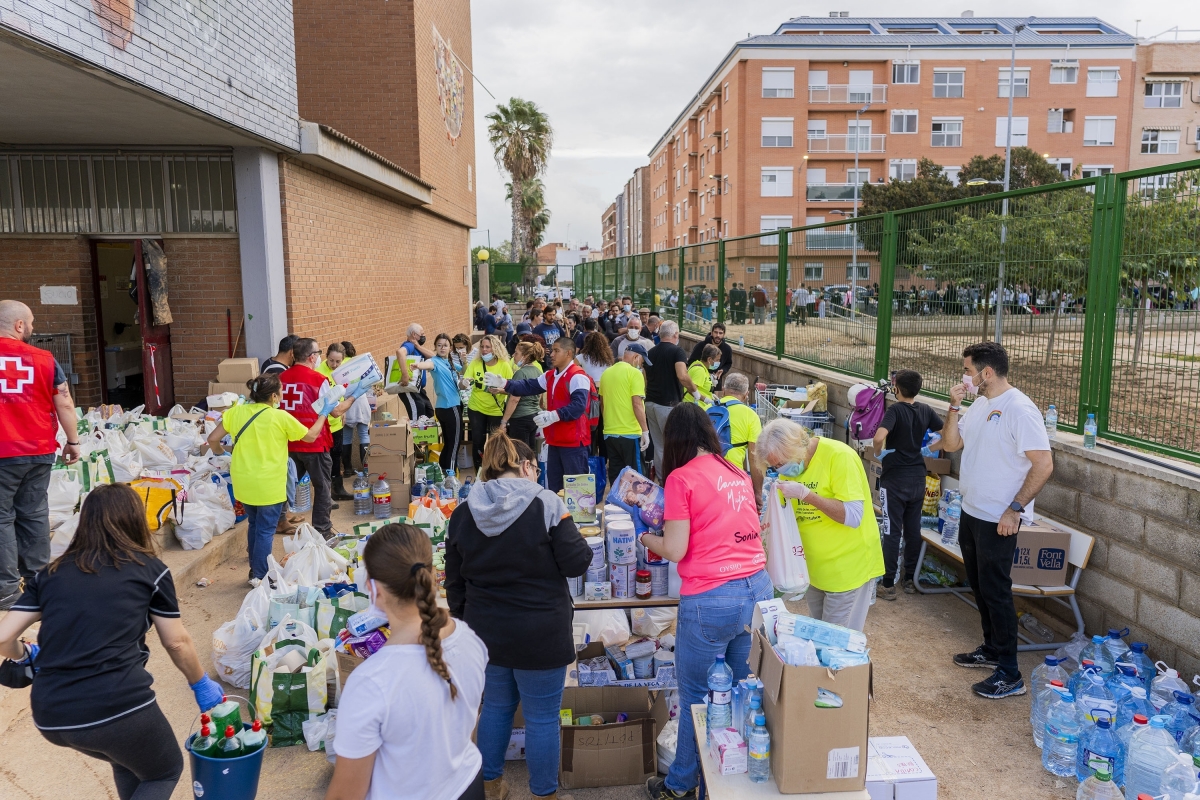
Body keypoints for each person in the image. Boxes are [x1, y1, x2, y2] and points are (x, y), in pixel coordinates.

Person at [0, 483, 223, 800]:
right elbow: (177, 642)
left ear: (85, 522)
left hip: (51, 714)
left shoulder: (50, 574)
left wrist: (25, 655)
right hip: (117, 705)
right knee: (164, 771)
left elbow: (3, 637)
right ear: (135, 520)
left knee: (130, 761)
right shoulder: (149, 571)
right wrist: (200, 683)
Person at [445, 433, 592, 800]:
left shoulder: (463, 512)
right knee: (542, 718)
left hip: (487, 632)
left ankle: (491, 785)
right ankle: (544, 794)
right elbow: (576, 562)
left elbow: (454, 581)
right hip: (541, 631)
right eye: (536, 468)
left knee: (495, 707)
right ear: (525, 465)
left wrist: (469, 622)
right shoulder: (546, 503)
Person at [639, 404, 772, 800]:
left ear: (675, 440)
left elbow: (676, 549)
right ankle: (733, 777)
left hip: (711, 598)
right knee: (742, 694)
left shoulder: (682, 478)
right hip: (758, 591)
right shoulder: (735, 471)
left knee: (698, 698)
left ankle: (680, 785)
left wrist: (646, 536)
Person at [327, 523, 488, 800]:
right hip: (466, 785)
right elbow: (465, 724)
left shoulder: (370, 683)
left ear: (373, 589)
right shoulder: (471, 641)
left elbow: (346, 794)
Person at [939, 342, 1053, 700]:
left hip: (999, 519)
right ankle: (990, 650)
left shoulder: (1020, 409)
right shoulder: (980, 405)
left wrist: (1015, 510)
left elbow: (1044, 465)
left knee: (997, 592)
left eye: (967, 371)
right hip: (972, 511)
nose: (965, 377)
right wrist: (955, 407)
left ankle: (1010, 673)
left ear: (986, 373)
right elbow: (951, 445)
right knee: (980, 586)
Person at [757, 418, 884, 633]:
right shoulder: (791, 465)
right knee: (820, 640)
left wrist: (806, 495)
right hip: (814, 572)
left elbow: (853, 516)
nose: (780, 470)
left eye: (780, 464)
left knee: (836, 644)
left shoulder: (839, 456)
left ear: (796, 446)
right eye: (774, 466)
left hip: (847, 570)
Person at [207, 374, 329, 583]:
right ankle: (260, 576)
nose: (282, 396)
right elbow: (310, 436)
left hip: (243, 481)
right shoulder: (279, 417)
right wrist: (324, 414)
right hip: (269, 483)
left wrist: (220, 453)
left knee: (254, 524)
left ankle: (255, 569)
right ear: (273, 396)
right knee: (265, 530)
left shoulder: (236, 413)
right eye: (280, 392)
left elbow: (212, 439)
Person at [0, 300, 80, 611]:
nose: (32, 328)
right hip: (38, 450)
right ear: (19, 325)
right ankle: (37, 581)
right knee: (33, 514)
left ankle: (6, 592)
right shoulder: (45, 359)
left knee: (3, 519)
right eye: (30, 322)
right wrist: (73, 441)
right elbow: (65, 404)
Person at [871, 370, 943, 600]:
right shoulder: (926, 410)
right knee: (913, 530)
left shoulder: (895, 410)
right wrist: (927, 450)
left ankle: (888, 584)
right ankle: (910, 579)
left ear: (897, 389)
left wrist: (878, 452)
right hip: (918, 478)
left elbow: (878, 436)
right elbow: (947, 437)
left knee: (892, 531)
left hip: (894, 479)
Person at [486, 338, 591, 492]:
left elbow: (578, 406)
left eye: (556, 351)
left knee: (577, 491)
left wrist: (552, 416)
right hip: (555, 441)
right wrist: (505, 384)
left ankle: (576, 517)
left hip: (574, 443)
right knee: (555, 487)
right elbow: (529, 386)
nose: (551, 354)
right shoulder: (550, 375)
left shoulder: (578, 376)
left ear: (568, 353)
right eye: (552, 350)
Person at [279, 338, 356, 537]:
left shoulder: (281, 378)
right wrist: (354, 397)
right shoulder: (318, 380)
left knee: (284, 486)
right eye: (319, 353)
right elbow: (336, 411)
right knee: (322, 487)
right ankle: (323, 531)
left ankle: (278, 521)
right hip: (314, 442)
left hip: (288, 442)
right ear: (312, 357)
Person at [644, 321, 698, 469]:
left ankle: (663, 480)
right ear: (676, 334)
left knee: (659, 446)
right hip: (668, 405)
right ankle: (672, 478)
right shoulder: (677, 351)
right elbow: (682, 375)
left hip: (650, 403)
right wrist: (695, 392)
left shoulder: (651, 352)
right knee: (673, 445)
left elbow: (645, 377)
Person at [413, 334, 468, 475]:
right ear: (435, 347)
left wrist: (464, 361)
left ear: (450, 348)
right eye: (439, 345)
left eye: (445, 345)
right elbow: (428, 364)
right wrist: (418, 365)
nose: (442, 348)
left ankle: (443, 475)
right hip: (450, 408)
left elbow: (463, 371)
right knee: (454, 445)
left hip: (444, 408)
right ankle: (450, 477)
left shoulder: (448, 362)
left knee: (449, 444)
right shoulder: (435, 361)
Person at [598, 342, 651, 484]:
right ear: (636, 357)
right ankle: (637, 506)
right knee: (637, 478)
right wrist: (645, 431)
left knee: (616, 475)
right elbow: (637, 403)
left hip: (610, 433)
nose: (641, 364)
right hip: (630, 432)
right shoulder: (635, 373)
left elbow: (602, 404)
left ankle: (615, 505)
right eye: (641, 360)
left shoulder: (606, 373)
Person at [463, 335, 514, 469]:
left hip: (495, 410)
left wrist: (500, 391)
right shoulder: (475, 363)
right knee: (478, 441)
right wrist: (464, 383)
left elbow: (512, 389)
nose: (484, 350)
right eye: (482, 347)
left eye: (487, 347)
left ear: (495, 348)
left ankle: (493, 469)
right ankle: (479, 471)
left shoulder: (504, 366)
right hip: (476, 408)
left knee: (494, 442)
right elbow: (465, 381)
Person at [711, 372, 764, 497]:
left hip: (707, 475)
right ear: (746, 395)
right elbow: (754, 458)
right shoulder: (750, 415)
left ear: (723, 390)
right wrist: (757, 493)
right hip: (733, 479)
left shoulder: (707, 408)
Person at [317, 342, 353, 501]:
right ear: (326, 357)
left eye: (338, 361)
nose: (334, 364)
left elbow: (341, 391)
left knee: (337, 455)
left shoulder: (343, 370)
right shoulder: (319, 373)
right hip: (324, 423)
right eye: (331, 360)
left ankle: (338, 489)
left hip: (337, 420)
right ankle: (326, 494)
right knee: (326, 459)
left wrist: (343, 411)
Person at [499, 340, 545, 450]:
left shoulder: (520, 373)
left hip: (520, 418)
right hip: (534, 415)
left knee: (520, 453)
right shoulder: (538, 371)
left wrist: (504, 422)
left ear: (525, 356)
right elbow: (540, 396)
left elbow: (514, 399)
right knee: (531, 451)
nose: (513, 355)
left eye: (516, 353)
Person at [340, 341, 373, 476]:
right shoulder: (359, 362)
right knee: (364, 435)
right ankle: (367, 469)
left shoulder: (339, 366)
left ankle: (347, 469)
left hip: (346, 403)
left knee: (346, 437)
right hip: (361, 401)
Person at [397, 323, 436, 422]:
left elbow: (434, 357)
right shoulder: (408, 345)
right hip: (409, 388)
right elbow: (400, 352)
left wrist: (418, 346)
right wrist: (405, 375)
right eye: (422, 334)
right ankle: (415, 436)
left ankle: (427, 437)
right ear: (414, 334)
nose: (424, 337)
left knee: (429, 413)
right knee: (418, 417)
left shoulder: (416, 347)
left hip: (419, 389)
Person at [686, 323, 733, 388]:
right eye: (716, 332)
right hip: (700, 380)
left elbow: (728, 363)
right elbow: (691, 361)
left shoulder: (727, 349)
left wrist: (723, 370)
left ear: (724, 334)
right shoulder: (701, 345)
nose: (718, 335)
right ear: (711, 333)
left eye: (720, 333)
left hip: (717, 382)